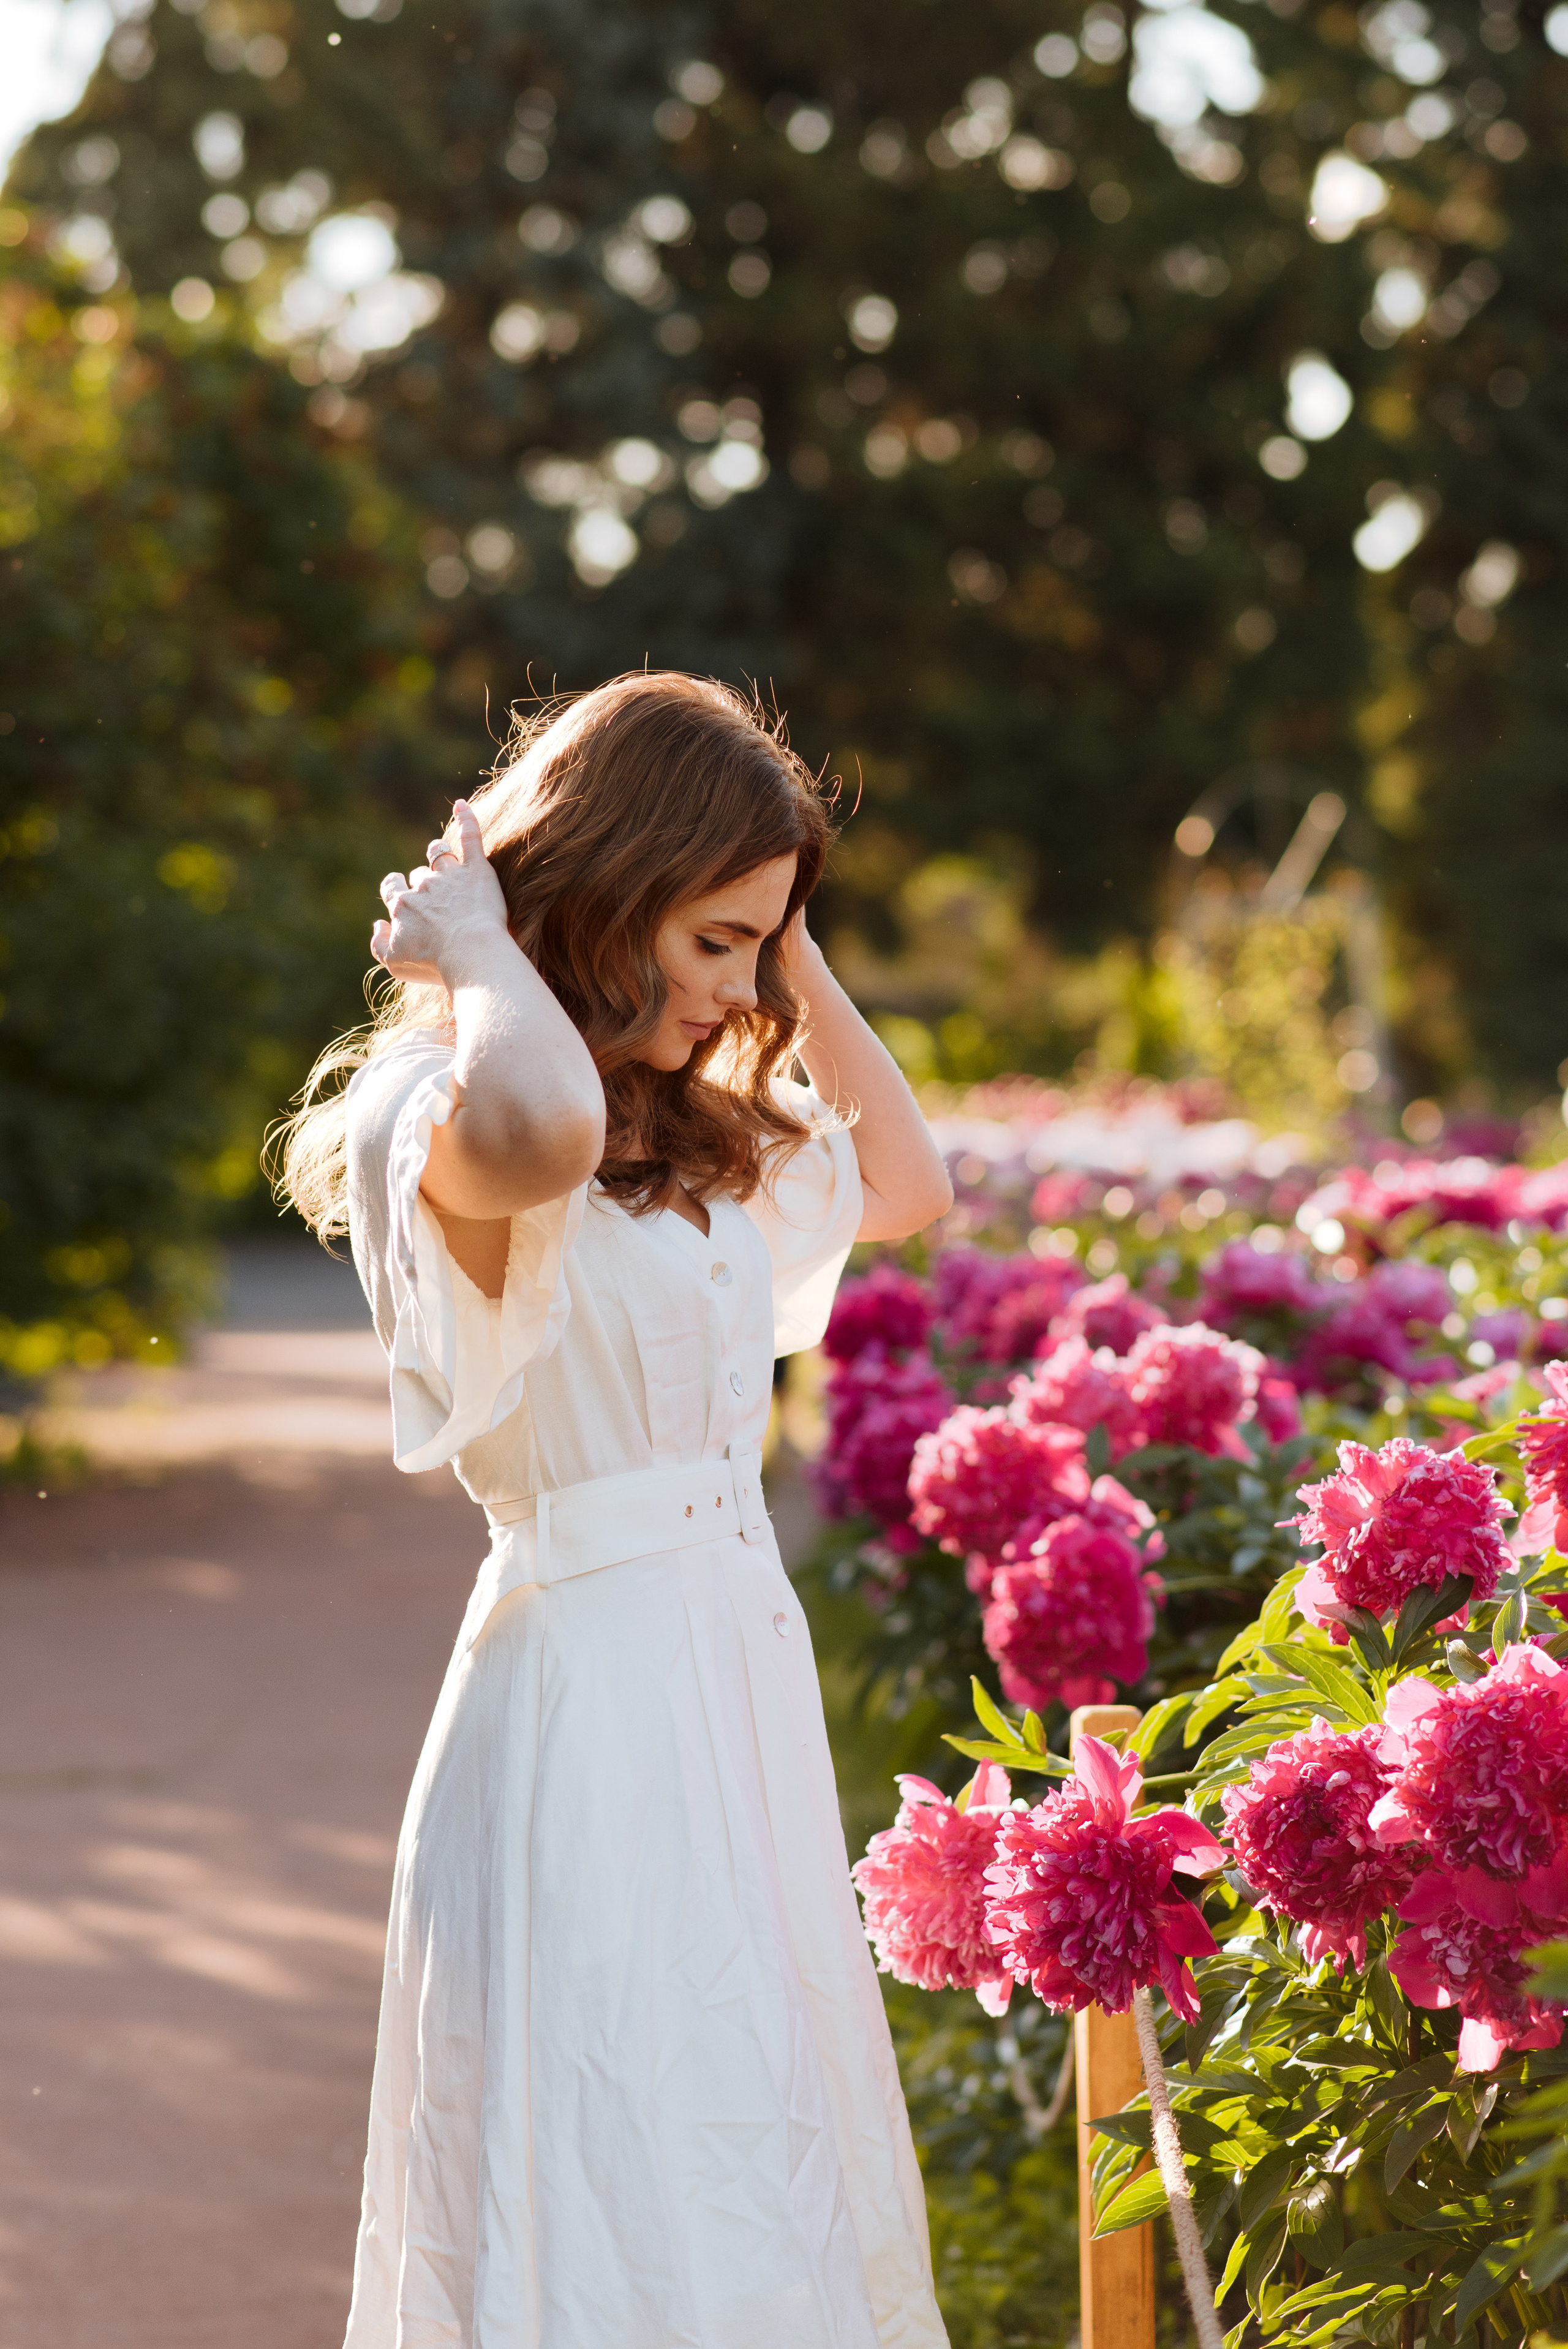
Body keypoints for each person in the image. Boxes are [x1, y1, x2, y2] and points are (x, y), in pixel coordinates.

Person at [278, 671, 956, 2348]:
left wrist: (781, 936)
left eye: (758, 948)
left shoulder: (706, 1120)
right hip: (583, 1699)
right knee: (603, 2155)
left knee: (754, 2144)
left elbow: (910, 1185)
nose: (739, 993)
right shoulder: (441, 1107)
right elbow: (543, 1126)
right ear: (608, 887)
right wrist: (485, 951)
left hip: (732, 1680)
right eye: (711, 939)